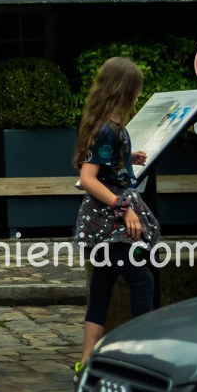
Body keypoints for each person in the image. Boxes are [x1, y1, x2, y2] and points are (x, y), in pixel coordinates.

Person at [73, 57, 156, 375]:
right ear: (124, 91)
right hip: (109, 223)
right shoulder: (109, 130)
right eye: (136, 90)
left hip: (104, 222)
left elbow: (99, 164)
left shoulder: (106, 127)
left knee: (104, 286)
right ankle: (140, 359)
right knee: (142, 280)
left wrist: (126, 157)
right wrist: (125, 210)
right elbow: (87, 177)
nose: (137, 97)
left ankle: (87, 361)